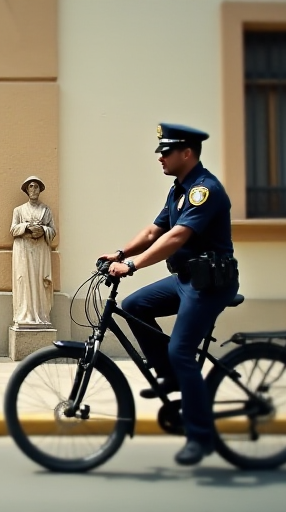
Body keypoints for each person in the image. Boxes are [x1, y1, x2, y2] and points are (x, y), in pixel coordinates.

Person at [100, 123, 239, 466]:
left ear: (187, 153)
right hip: (186, 279)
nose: (160, 157)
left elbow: (176, 238)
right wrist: (120, 253)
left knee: (181, 350)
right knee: (133, 305)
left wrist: (132, 266)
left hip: (210, 283)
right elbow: (153, 231)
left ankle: (200, 437)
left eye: (166, 151)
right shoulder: (178, 190)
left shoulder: (204, 191)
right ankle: (171, 377)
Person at [10, 176, 56, 328]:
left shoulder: (46, 210)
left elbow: (53, 230)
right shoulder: (19, 210)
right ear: (27, 190)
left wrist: (42, 230)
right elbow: (13, 229)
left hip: (40, 250)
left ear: (40, 190)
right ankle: (25, 313)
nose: (34, 189)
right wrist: (27, 227)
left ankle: (41, 313)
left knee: (39, 281)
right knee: (25, 281)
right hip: (24, 250)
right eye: (31, 186)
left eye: (36, 187)